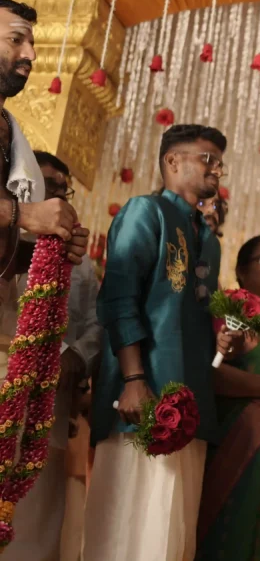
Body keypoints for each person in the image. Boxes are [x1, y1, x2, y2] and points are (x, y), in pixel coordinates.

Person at [83, 124, 226, 561]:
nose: (217, 170)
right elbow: (118, 298)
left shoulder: (207, 238)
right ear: (172, 161)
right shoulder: (145, 212)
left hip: (192, 402)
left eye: (220, 163)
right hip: (143, 401)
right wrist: (133, 379)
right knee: (128, 530)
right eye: (207, 159)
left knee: (172, 536)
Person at [3, 151, 101, 561]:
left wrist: (75, 356)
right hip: (7, 376)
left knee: (39, 513)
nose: (57, 195)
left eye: (63, 187)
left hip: (51, 397)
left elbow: (94, 320)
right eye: (47, 184)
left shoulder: (80, 261)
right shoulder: (10, 232)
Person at [0, 0, 89, 360]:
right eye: (16, 39)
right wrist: (24, 215)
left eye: (32, 44)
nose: (31, 55)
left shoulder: (9, 129)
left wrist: (45, 251)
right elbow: (18, 215)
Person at [196, 234, 260, 560]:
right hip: (240, 439)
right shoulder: (230, 313)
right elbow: (213, 374)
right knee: (229, 535)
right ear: (241, 269)